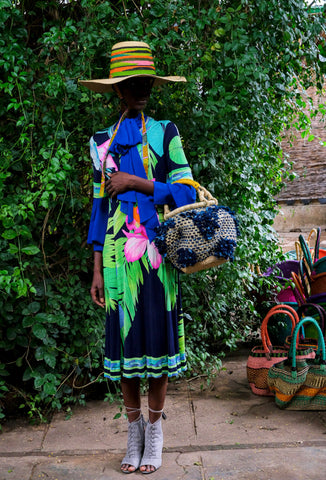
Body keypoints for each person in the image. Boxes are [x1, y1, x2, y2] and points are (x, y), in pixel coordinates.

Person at [80, 41, 196, 474]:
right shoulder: (99, 143)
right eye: (132, 84)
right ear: (117, 91)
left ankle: (156, 433)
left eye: (146, 81)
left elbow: (186, 192)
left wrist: (138, 182)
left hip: (159, 256)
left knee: (158, 346)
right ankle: (133, 435)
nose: (141, 89)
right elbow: (98, 208)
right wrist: (95, 267)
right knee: (127, 348)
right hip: (116, 259)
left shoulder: (166, 132)